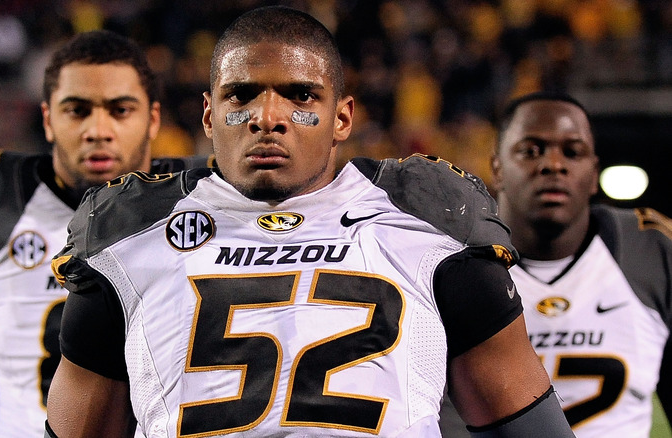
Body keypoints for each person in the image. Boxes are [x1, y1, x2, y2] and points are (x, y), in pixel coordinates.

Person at [46, 7, 574, 438]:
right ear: (209, 116)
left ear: (343, 117)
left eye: (300, 96)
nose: (267, 116)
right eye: (241, 94)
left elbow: (528, 425)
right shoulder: (127, 237)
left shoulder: (430, 222)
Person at [0, 30, 207, 438]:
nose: (97, 129)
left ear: (153, 120)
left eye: (120, 110)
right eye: (77, 110)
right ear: (47, 119)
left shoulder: (208, 199)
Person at [490, 92, 671, 436]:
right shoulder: (454, 261)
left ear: (593, 173)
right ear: (497, 168)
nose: (554, 164)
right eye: (531, 150)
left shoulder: (653, 250)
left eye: (572, 152)